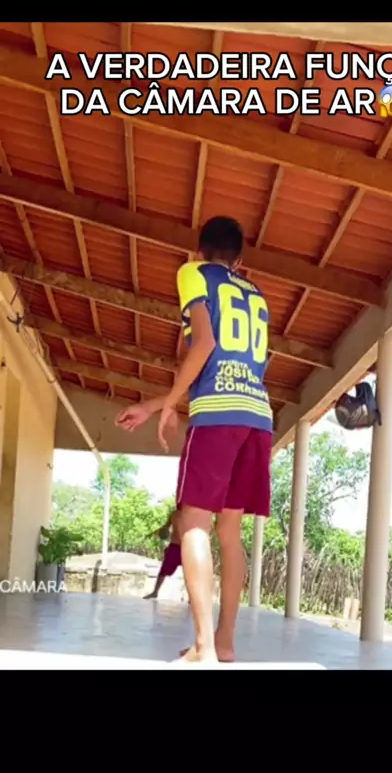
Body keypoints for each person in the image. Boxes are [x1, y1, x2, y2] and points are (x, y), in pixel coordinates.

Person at [115, 216, 273, 663]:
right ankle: (224, 642)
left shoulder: (193, 273)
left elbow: (203, 345)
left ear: (200, 249)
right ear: (239, 259)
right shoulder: (256, 294)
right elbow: (243, 362)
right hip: (257, 417)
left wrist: (168, 405)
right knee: (230, 533)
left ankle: (203, 647)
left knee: (194, 525)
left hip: (217, 415)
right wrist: (157, 404)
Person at [144, 509, 182, 600]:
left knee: (191, 573)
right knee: (163, 570)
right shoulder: (174, 514)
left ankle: (192, 598)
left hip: (188, 547)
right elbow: (166, 526)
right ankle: (155, 592)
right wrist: (155, 532)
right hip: (175, 546)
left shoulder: (193, 513)